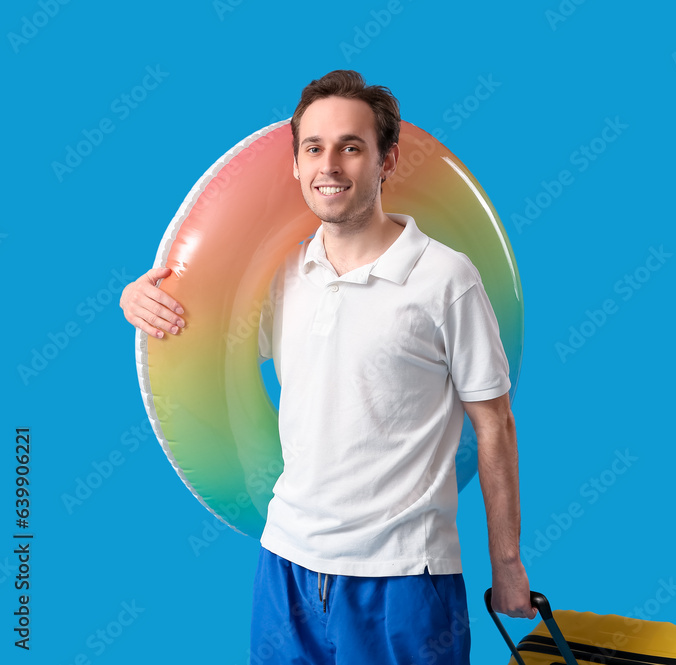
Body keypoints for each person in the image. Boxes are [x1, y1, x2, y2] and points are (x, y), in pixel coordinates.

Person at [120, 70, 533, 664]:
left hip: (404, 577)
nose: (329, 165)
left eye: (351, 147)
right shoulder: (284, 275)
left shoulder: (447, 279)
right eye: (313, 148)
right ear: (294, 164)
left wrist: (508, 564)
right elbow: (204, 341)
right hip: (287, 566)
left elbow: (494, 423)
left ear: (387, 160)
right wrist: (137, 300)